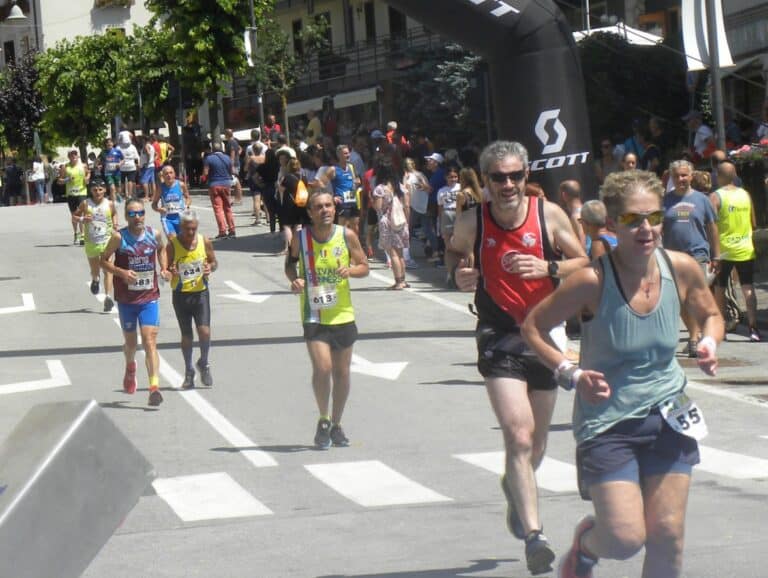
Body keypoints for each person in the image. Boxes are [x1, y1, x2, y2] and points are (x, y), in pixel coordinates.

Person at [520, 169, 723, 578]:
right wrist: (571, 373)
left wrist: (709, 343)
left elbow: (711, 313)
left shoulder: (680, 267)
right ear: (613, 224)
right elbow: (533, 327)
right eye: (632, 219)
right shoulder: (591, 281)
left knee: (668, 534)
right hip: (608, 423)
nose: (646, 228)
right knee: (625, 538)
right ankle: (586, 546)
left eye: (653, 217)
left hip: (670, 413)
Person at [451, 141, 588, 575]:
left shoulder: (548, 215)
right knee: (520, 435)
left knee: (540, 442)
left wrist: (547, 269)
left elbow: (585, 263)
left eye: (515, 176)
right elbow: (455, 251)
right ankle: (535, 535)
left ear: (525, 176)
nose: (508, 184)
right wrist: (460, 272)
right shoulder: (474, 219)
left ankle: (515, 484)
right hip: (499, 334)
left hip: (546, 334)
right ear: (485, 180)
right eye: (498, 177)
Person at [284, 191, 369, 449]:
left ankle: (336, 423)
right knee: (323, 368)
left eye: (328, 205)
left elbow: (364, 266)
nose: (325, 210)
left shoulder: (347, 236)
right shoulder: (301, 238)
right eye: (318, 207)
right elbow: (290, 264)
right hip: (313, 313)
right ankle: (323, 418)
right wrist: (294, 279)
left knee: (342, 373)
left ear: (335, 208)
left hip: (342, 313)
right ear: (310, 212)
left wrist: (351, 270)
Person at [100, 198, 171, 407]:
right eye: (132, 214)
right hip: (126, 300)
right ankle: (130, 366)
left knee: (149, 341)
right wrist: (121, 272)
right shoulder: (118, 237)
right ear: (126, 216)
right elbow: (103, 260)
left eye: (140, 213)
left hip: (149, 298)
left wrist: (164, 268)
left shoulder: (153, 234)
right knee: (131, 344)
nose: (137, 217)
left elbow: (162, 249)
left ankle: (154, 388)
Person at [662, 159, 720, 357]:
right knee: (679, 300)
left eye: (684, 175)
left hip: (698, 255)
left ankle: (695, 338)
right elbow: (655, 227)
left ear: (691, 176)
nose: (681, 179)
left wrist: (717, 255)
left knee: (696, 298)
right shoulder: (664, 201)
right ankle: (694, 334)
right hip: (673, 258)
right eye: (677, 175)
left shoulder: (702, 200)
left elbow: (712, 228)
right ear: (671, 177)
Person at [164, 210, 218, 388]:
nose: (190, 233)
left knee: (205, 332)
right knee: (186, 335)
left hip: (200, 292)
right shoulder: (172, 245)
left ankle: (204, 362)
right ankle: (188, 370)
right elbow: (165, 269)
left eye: (194, 229)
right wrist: (169, 272)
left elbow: (214, 262)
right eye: (187, 229)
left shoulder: (204, 241)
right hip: (180, 295)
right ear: (180, 227)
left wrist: (210, 267)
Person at [711, 161, 760, 342]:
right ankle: (753, 329)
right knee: (748, 288)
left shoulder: (715, 197)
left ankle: (720, 327)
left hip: (723, 249)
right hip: (745, 248)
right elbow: (753, 223)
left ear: (719, 176)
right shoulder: (746, 195)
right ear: (735, 175)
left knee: (720, 288)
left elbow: (710, 225)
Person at [72, 177, 118, 312]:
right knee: (95, 269)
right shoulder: (85, 204)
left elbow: (114, 214)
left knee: (108, 269)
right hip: (91, 242)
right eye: (95, 189)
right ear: (90, 190)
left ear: (105, 190)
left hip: (107, 241)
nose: (98, 192)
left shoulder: (109, 204)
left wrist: (115, 224)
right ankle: (95, 279)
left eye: (100, 189)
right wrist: (82, 219)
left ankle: (108, 297)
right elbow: (74, 217)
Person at [373, 164, 410, 289]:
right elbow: (407, 206)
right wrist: (407, 221)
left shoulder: (380, 189)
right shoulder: (400, 187)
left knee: (392, 253)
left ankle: (398, 281)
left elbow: (378, 207)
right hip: (401, 221)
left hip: (387, 222)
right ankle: (403, 280)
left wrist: (372, 200)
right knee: (400, 254)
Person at [320, 144, 362, 233]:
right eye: (345, 153)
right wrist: (331, 197)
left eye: (348, 153)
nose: (348, 155)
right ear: (339, 155)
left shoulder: (351, 167)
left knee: (355, 226)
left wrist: (357, 183)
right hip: (342, 203)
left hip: (353, 200)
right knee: (342, 228)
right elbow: (321, 183)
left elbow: (357, 179)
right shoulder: (333, 169)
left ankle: (354, 245)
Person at [203, 141, 236, 239]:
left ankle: (222, 231)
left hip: (214, 184)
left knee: (218, 209)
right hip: (226, 184)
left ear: (212, 149)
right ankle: (232, 230)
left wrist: (205, 179)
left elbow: (205, 172)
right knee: (228, 208)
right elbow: (232, 171)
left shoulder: (208, 158)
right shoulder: (227, 158)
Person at [59, 149, 90, 244]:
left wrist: (87, 178)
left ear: (78, 156)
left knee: (81, 214)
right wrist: (67, 179)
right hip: (71, 194)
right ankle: (75, 233)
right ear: (68, 157)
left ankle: (82, 235)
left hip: (82, 192)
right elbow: (60, 180)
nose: (73, 157)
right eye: (71, 155)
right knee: (74, 215)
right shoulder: (65, 167)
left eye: (75, 155)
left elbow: (88, 173)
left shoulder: (83, 165)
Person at [152, 165, 191, 240]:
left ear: (174, 174)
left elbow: (188, 198)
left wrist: (187, 206)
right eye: (166, 173)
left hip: (181, 217)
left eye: (171, 173)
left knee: (183, 240)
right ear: (163, 176)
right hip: (167, 219)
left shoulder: (181, 185)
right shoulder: (160, 188)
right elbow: (154, 204)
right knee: (172, 240)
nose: (169, 175)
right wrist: (159, 209)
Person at [101, 138, 124, 203]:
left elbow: (123, 159)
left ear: (113, 143)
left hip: (117, 172)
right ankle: (113, 203)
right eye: (107, 143)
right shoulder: (103, 152)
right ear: (105, 144)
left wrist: (120, 164)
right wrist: (98, 165)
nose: (109, 144)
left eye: (110, 142)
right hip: (108, 173)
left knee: (118, 187)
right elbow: (99, 160)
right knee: (112, 188)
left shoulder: (117, 151)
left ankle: (118, 194)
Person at [225, 128, 243, 204]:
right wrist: (238, 154)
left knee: (236, 181)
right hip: (236, 162)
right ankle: (237, 198)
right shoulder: (234, 141)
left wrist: (231, 165)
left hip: (234, 164)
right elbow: (240, 148)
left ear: (227, 135)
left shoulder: (231, 142)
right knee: (235, 181)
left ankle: (238, 198)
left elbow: (232, 153)